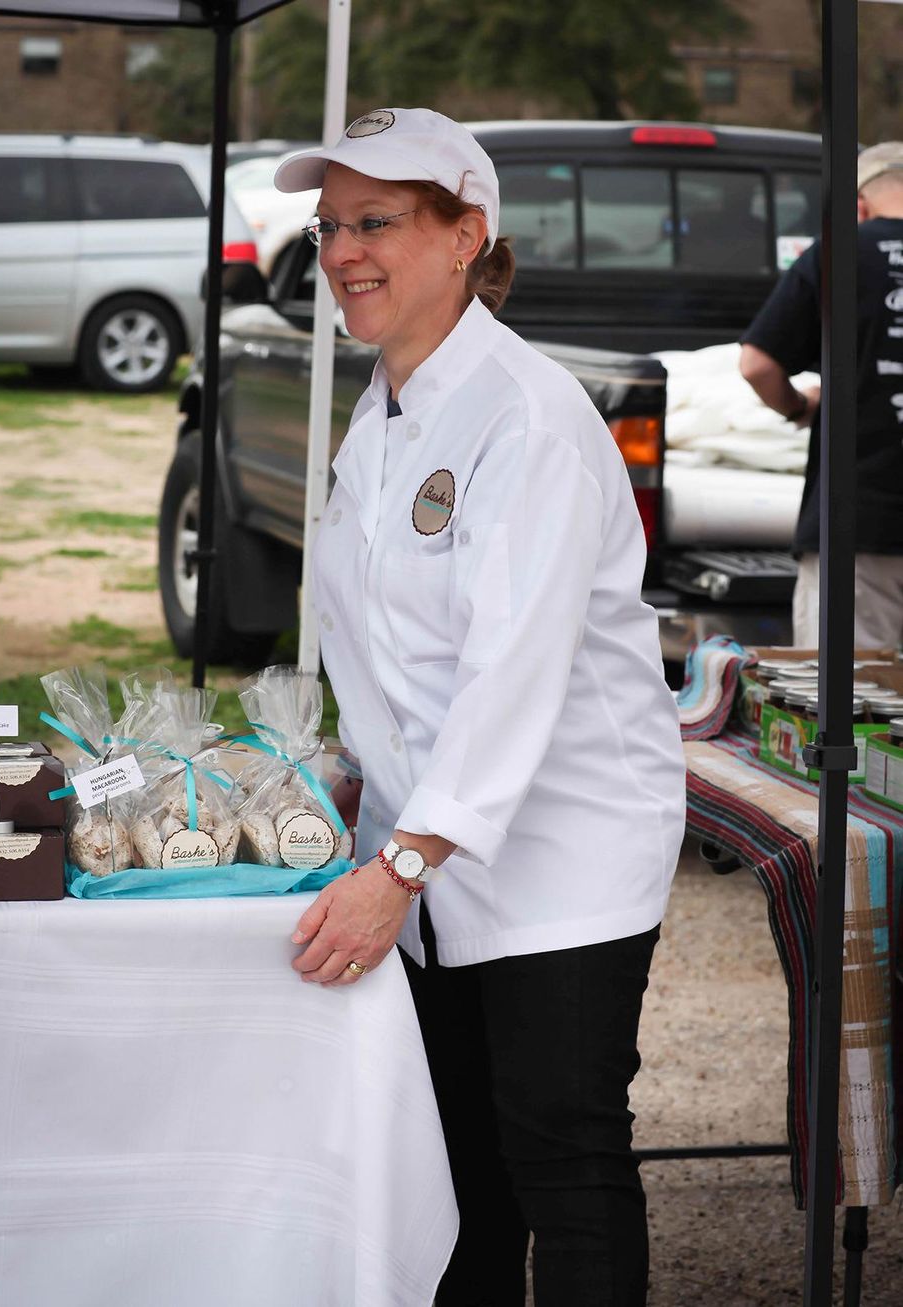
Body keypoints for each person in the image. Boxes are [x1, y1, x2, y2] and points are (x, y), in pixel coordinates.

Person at [275, 108, 686, 1306]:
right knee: (457, 1175)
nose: (344, 251)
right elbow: (384, 644)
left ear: (466, 238)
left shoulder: (528, 415)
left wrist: (400, 862)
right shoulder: (385, 405)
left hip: (559, 855)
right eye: (327, 227)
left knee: (561, 1157)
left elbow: (513, 669)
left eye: (375, 221)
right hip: (423, 860)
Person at [739, 141, 903, 650]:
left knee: (852, 689)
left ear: (860, 206)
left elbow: (758, 365)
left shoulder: (840, 251)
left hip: (860, 522)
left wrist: (798, 407)